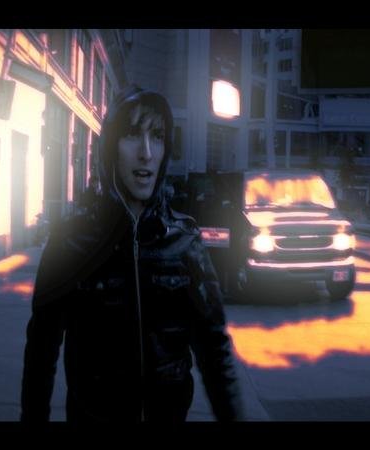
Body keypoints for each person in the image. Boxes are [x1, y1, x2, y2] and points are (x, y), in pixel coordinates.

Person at [20, 85, 244, 422]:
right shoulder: (72, 240)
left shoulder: (184, 240)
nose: (146, 152)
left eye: (157, 136)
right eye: (132, 134)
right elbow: (42, 349)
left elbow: (214, 350)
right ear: (111, 146)